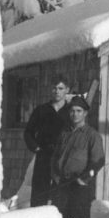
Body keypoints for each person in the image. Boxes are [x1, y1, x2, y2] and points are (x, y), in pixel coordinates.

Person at [51, 95, 105, 218]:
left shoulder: (92, 135)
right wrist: (55, 175)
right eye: (72, 111)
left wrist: (85, 179)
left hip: (80, 185)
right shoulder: (64, 134)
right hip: (62, 183)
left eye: (79, 111)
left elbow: (98, 161)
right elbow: (55, 157)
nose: (75, 114)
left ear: (85, 113)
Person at [24, 76, 71, 207]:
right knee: (40, 190)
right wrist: (36, 147)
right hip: (44, 155)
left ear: (67, 90)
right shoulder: (42, 110)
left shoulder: (71, 111)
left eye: (60, 88)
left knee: (60, 191)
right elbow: (28, 132)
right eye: (54, 88)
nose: (57, 91)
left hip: (63, 156)